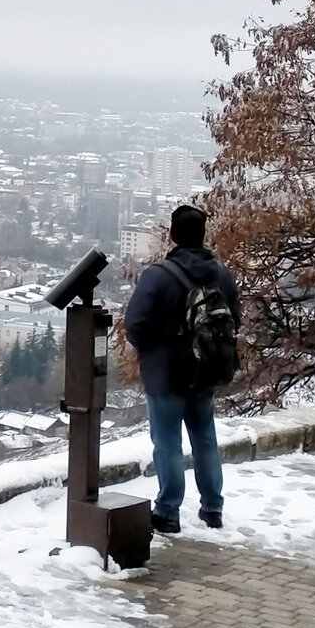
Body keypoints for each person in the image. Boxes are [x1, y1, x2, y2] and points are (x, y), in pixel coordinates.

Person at [124, 205, 240, 534]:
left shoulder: (159, 276)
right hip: (206, 369)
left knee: (168, 443)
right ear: (203, 235)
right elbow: (234, 319)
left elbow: (134, 325)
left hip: (165, 374)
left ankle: (168, 512)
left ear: (174, 235)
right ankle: (213, 507)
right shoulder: (222, 273)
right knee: (205, 437)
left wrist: (155, 347)